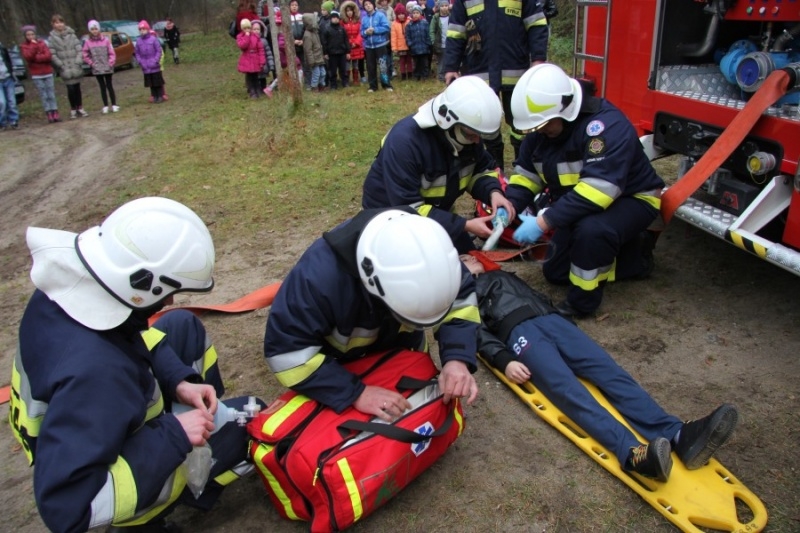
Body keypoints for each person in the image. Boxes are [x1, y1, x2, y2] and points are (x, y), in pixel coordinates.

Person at [9, 197, 266, 533]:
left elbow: (126, 338)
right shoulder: (98, 373)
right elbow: (65, 510)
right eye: (166, 292)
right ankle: (148, 518)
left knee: (181, 327)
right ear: (139, 284)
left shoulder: (70, 294)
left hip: (84, 431)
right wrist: (175, 434)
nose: (171, 300)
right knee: (252, 417)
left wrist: (178, 381)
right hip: (96, 475)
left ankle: (192, 450)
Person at [465, 257, 739, 482]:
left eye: (468, 256)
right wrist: (504, 359)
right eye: (460, 261)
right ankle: (634, 455)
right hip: (519, 334)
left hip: (552, 322)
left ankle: (678, 435)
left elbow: (540, 299)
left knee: (611, 374)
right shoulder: (462, 298)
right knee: (568, 391)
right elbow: (474, 331)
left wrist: (564, 321)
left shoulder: (504, 275)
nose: (467, 260)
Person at [263, 208, 480, 419]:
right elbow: (286, 353)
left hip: (400, 352)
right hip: (337, 364)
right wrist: (355, 393)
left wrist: (456, 359)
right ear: (373, 283)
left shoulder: (431, 253)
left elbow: (461, 302)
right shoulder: (319, 279)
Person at [506, 64, 665, 318]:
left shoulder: (604, 127)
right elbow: (527, 177)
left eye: (545, 125)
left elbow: (599, 190)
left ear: (566, 110)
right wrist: (509, 206)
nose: (539, 132)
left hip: (632, 198)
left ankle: (582, 303)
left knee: (592, 232)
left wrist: (544, 220)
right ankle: (634, 258)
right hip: (580, 201)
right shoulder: (542, 131)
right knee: (556, 272)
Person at [361, 75, 516, 253]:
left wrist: (493, 192)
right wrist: (463, 225)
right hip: (392, 222)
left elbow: (480, 170)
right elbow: (409, 210)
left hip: (436, 215)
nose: (477, 141)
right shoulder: (405, 143)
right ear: (448, 122)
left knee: (470, 260)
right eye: (472, 135)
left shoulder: (465, 134)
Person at [442, 0, 548, 171]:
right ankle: (494, 168)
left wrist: (538, 59)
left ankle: (524, 164)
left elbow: (536, 24)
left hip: (516, 72)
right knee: (485, 122)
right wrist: (451, 67)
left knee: (521, 122)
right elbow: (456, 32)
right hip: (480, 72)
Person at [48, 14, 87, 119]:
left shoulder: (72, 35)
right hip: (64, 67)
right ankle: (73, 108)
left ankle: (80, 107)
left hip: (75, 65)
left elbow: (79, 49)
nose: (59, 24)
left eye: (61, 22)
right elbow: (52, 54)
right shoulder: (51, 38)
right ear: (53, 24)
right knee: (70, 89)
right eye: (56, 22)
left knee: (77, 88)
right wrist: (60, 64)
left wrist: (78, 61)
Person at [20, 25, 61, 124]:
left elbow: (47, 56)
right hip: (36, 74)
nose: (31, 36)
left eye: (32, 34)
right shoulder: (24, 46)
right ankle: (48, 113)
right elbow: (28, 57)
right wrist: (34, 48)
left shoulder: (42, 43)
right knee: (44, 94)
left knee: (51, 93)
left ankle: (55, 111)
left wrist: (37, 58)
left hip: (47, 72)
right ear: (25, 36)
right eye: (28, 35)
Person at [82, 20, 119, 114]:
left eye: (96, 29)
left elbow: (111, 53)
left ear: (98, 29)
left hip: (107, 67)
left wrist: (110, 63)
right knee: (102, 87)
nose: (94, 31)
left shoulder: (105, 40)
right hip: (97, 68)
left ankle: (114, 104)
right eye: (92, 29)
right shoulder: (88, 42)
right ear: (90, 30)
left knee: (109, 86)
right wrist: (92, 63)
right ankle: (105, 105)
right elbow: (85, 54)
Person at [360, 0, 393, 92]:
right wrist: (366, 32)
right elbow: (361, 33)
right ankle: (373, 86)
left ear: (373, 5)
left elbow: (386, 27)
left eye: (369, 4)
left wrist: (375, 30)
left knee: (383, 66)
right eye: (365, 5)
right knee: (370, 67)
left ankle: (386, 85)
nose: (368, 6)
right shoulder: (364, 19)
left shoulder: (380, 15)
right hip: (369, 47)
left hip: (380, 45)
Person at [134, 20, 166, 103]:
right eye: (140, 29)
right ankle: (154, 96)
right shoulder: (138, 41)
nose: (142, 31)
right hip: (146, 66)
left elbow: (158, 50)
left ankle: (160, 95)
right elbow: (137, 53)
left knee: (157, 82)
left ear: (147, 29)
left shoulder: (153, 39)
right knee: (151, 83)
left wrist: (155, 60)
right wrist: (140, 62)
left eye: (143, 29)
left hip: (154, 65)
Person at [321, 10, 351, 90]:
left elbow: (346, 41)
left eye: (336, 18)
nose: (335, 19)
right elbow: (324, 42)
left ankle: (345, 83)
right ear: (331, 19)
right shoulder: (327, 29)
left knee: (343, 70)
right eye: (333, 18)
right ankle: (333, 85)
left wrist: (348, 52)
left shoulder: (342, 29)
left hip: (342, 53)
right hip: (332, 53)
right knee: (332, 70)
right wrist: (325, 53)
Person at [237, 18, 266, 98]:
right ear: (242, 29)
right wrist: (246, 37)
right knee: (249, 76)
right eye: (245, 28)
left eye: (248, 28)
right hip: (247, 59)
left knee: (255, 76)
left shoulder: (256, 37)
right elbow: (243, 46)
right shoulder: (240, 37)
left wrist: (262, 61)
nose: (247, 30)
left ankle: (258, 90)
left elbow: (260, 49)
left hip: (255, 58)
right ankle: (252, 91)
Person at [341, 0, 365, 86]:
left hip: (356, 46)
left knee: (355, 63)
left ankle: (356, 79)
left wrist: (356, 42)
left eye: (351, 10)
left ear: (354, 11)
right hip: (347, 46)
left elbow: (361, 32)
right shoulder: (343, 23)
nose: (349, 13)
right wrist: (348, 43)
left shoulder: (358, 21)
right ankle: (347, 80)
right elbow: (342, 34)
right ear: (345, 12)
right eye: (347, 11)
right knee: (347, 64)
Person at [405, 5, 431, 81]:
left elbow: (428, 34)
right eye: (414, 13)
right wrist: (410, 44)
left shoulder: (425, 23)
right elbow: (407, 36)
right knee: (416, 63)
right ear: (411, 14)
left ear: (420, 14)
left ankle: (425, 76)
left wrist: (428, 43)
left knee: (424, 63)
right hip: (414, 48)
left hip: (424, 47)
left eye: (417, 13)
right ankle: (417, 75)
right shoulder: (409, 25)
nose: (415, 14)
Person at [302, 13, 326, 91]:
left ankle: (321, 85)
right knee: (316, 74)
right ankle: (314, 87)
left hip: (319, 57)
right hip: (314, 59)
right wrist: (311, 61)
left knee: (323, 73)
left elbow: (319, 46)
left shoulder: (315, 32)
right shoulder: (307, 35)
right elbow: (308, 50)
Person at [0, 40, 20, 130]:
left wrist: (12, 73)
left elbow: (9, 62)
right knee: (2, 102)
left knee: (12, 101)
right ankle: (2, 122)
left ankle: (13, 120)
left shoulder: (2, 49)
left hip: (8, 78)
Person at [251, 19, 275, 92]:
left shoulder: (264, 41)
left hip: (263, 64)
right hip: (253, 64)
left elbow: (268, 53)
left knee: (262, 78)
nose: (256, 31)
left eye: (258, 29)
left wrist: (271, 64)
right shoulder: (249, 41)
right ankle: (255, 89)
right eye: (254, 29)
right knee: (254, 78)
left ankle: (263, 89)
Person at [429, 0, 449, 82]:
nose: (444, 7)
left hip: (450, 43)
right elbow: (432, 30)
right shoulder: (436, 17)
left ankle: (449, 75)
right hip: (440, 43)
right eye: (442, 6)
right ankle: (441, 76)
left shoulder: (451, 16)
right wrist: (433, 41)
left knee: (450, 60)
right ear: (439, 7)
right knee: (441, 61)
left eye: (446, 5)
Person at [391, 3, 411, 80]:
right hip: (400, 47)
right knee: (402, 61)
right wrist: (394, 48)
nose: (401, 15)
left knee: (409, 60)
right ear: (396, 15)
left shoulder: (409, 21)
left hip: (409, 45)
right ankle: (403, 75)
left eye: (403, 13)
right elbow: (393, 37)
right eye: (399, 14)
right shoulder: (394, 24)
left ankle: (410, 74)